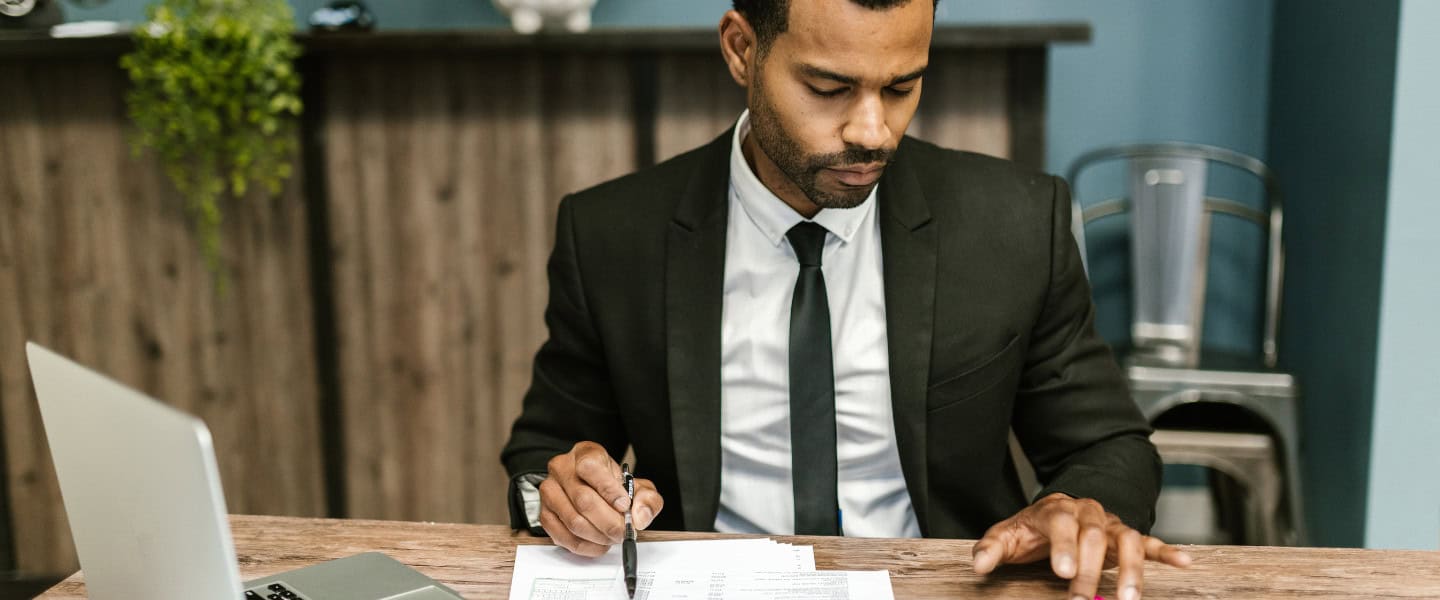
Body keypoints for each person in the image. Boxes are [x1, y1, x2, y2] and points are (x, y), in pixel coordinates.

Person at [502, 1, 1191, 598]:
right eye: (829, 88)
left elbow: (1107, 443)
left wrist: (1078, 505)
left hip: (945, 585)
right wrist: (565, 496)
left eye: (901, 86)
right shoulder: (612, 234)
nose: (872, 131)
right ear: (742, 50)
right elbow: (544, 452)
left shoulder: (1015, 223)